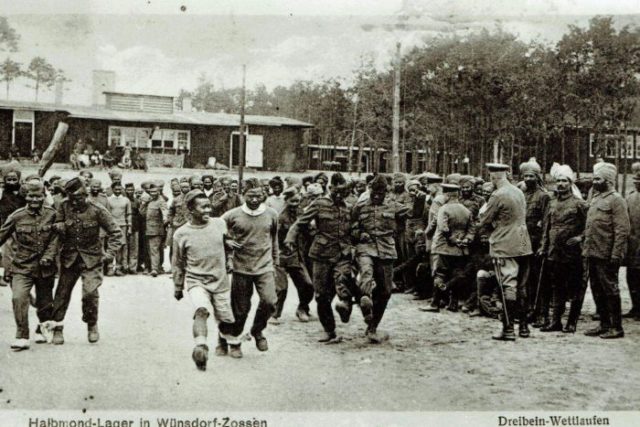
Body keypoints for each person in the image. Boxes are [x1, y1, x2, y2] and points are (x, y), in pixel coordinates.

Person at [50, 178, 123, 345]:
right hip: (69, 258)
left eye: (79, 198)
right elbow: (57, 223)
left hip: (92, 259)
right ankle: (58, 328)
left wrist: (109, 254)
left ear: (85, 194)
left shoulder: (97, 210)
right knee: (61, 295)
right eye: (72, 199)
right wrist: (59, 225)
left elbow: (116, 233)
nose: (76, 202)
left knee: (90, 293)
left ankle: (91, 324)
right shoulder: (63, 206)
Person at [285, 173, 354, 343]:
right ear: (330, 189)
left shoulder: (350, 206)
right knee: (322, 295)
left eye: (343, 193)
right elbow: (300, 223)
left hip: (343, 253)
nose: (340, 195)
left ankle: (345, 305)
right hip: (321, 255)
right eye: (337, 192)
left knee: (343, 280)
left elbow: (357, 226)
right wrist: (290, 238)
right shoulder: (319, 204)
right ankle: (329, 330)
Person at [172, 190, 237, 371]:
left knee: (225, 319)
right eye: (204, 207)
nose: (208, 210)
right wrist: (178, 286)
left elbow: (228, 244)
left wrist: (230, 259)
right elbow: (177, 263)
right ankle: (200, 347)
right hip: (196, 281)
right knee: (201, 310)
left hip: (220, 281)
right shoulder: (181, 234)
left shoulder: (219, 224)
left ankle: (223, 341)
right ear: (191, 210)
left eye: (209, 206)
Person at [221, 178, 279, 358]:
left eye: (258, 195)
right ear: (242, 195)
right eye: (250, 196)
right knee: (240, 309)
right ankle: (234, 341)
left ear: (264, 194)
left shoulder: (271, 214)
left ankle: (257, 330)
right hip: (241, 268)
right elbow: (217, 232)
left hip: (265, 266)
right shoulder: (232, 215)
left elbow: (274, 239)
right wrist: (228, 241)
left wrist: (275, 262)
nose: (254, 200)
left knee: (270, 302)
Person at [0, 180, 58, 350]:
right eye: (31, 196)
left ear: (43, 196)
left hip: (45, 267)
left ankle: (41, 328)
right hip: (22, 265)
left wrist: (48, 256)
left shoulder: (52, 215)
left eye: (38, 196)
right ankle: (22, 335)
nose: (34, 200)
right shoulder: (17, 216)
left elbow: (55, 239)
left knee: (45, 302)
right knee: (18, 297)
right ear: (25, 196)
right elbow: (2, 235)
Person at [478, 163, 533, 341]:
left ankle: (508, 329)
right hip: (523, 242)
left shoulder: (498, 195)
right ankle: (524, 327)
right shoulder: (519, 192)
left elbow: (485, 219)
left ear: (493, 177)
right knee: (522, 286)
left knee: (507, 285)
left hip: (504, 243)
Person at [537, 164, 588, 333]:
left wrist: (580, 237)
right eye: (558, 181)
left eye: (564, 181)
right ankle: (555, 321)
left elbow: (589, 226)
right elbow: (546, 227)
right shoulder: (551, 204)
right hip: (554, 252)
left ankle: (571, 322)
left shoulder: (580, 204)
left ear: (570, 183)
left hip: (573, 254)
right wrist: (544, 247)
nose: (560, 184)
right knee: (556, 286)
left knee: (574, 287)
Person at [582, 162, 630, 339]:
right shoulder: (596, 198)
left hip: (607, 254)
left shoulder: (617, 200)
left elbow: (622, 230)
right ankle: (603, 324)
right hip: (593, 252)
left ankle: (616, 327)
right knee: (596, 289)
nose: (594, 182)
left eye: (598, 179)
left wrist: (616, 254)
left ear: (608, 181)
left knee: (610, 289)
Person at [420, 182, 474, 313]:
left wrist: (452, 239)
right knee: (455, 274)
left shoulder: (444, 209)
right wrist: (466, 240)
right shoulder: (466, 210)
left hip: (443, 246)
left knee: (440, 274)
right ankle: (453, 303)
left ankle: (434, 303)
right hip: (460, 249)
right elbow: (472, 229)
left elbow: (443, 228)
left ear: (448, 195)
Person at [273, 187, 314, 323]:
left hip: (298, 256)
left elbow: (308, 232)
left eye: (297, 201)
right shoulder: (280, 217)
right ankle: (275, 314)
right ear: (286, 201)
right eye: (292, 202)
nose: (295, 204)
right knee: (281, 287)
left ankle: (302, 308)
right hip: (282, 256)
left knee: (308, 285)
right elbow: (273, 238)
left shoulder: (302, 213)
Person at [140, 183, 168, 277]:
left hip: (156, 230)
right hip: (148, 229)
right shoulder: (149, 201)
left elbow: (165, 212)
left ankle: (155, 269)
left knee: (154, 250)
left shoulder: (161, 201)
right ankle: (154, 267)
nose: (153, 193)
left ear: (159, 192)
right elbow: (142, 213)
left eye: (155, 191)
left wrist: (164, 220)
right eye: (151, 192)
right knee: (150, 249)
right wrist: (144, 204)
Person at [624, 162, 640, 320]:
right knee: (632, 277)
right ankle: (636, 307)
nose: (637, 182)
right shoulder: (630, 198)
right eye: (635, 179)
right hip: (633, 246)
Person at [106, 182, 132, 276]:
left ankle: (118, 268)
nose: (118, 191)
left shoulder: (126, 200)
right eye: (116, 189)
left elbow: (128, 214)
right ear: (112, 189)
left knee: (121, 247)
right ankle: (109, 268)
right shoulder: (108, 200)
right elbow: (107, 214)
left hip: (123, 226)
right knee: (111, 246)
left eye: (119, 189)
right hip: (112, 226)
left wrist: (129, 227)